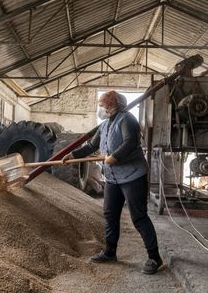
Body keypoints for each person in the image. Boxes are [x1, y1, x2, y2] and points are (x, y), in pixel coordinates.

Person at [62, 90, 163, 275]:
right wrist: (73, 154)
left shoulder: (127, 120)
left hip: (133, 176)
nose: (100, 109)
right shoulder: (104, 125)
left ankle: (154, 257)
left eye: (102, 105)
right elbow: (92, 146)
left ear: (113, 104)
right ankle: (110, 252)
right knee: (110, 214)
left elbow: (130, 142)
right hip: (113, 178)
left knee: (139, 217)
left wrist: (114, 157)